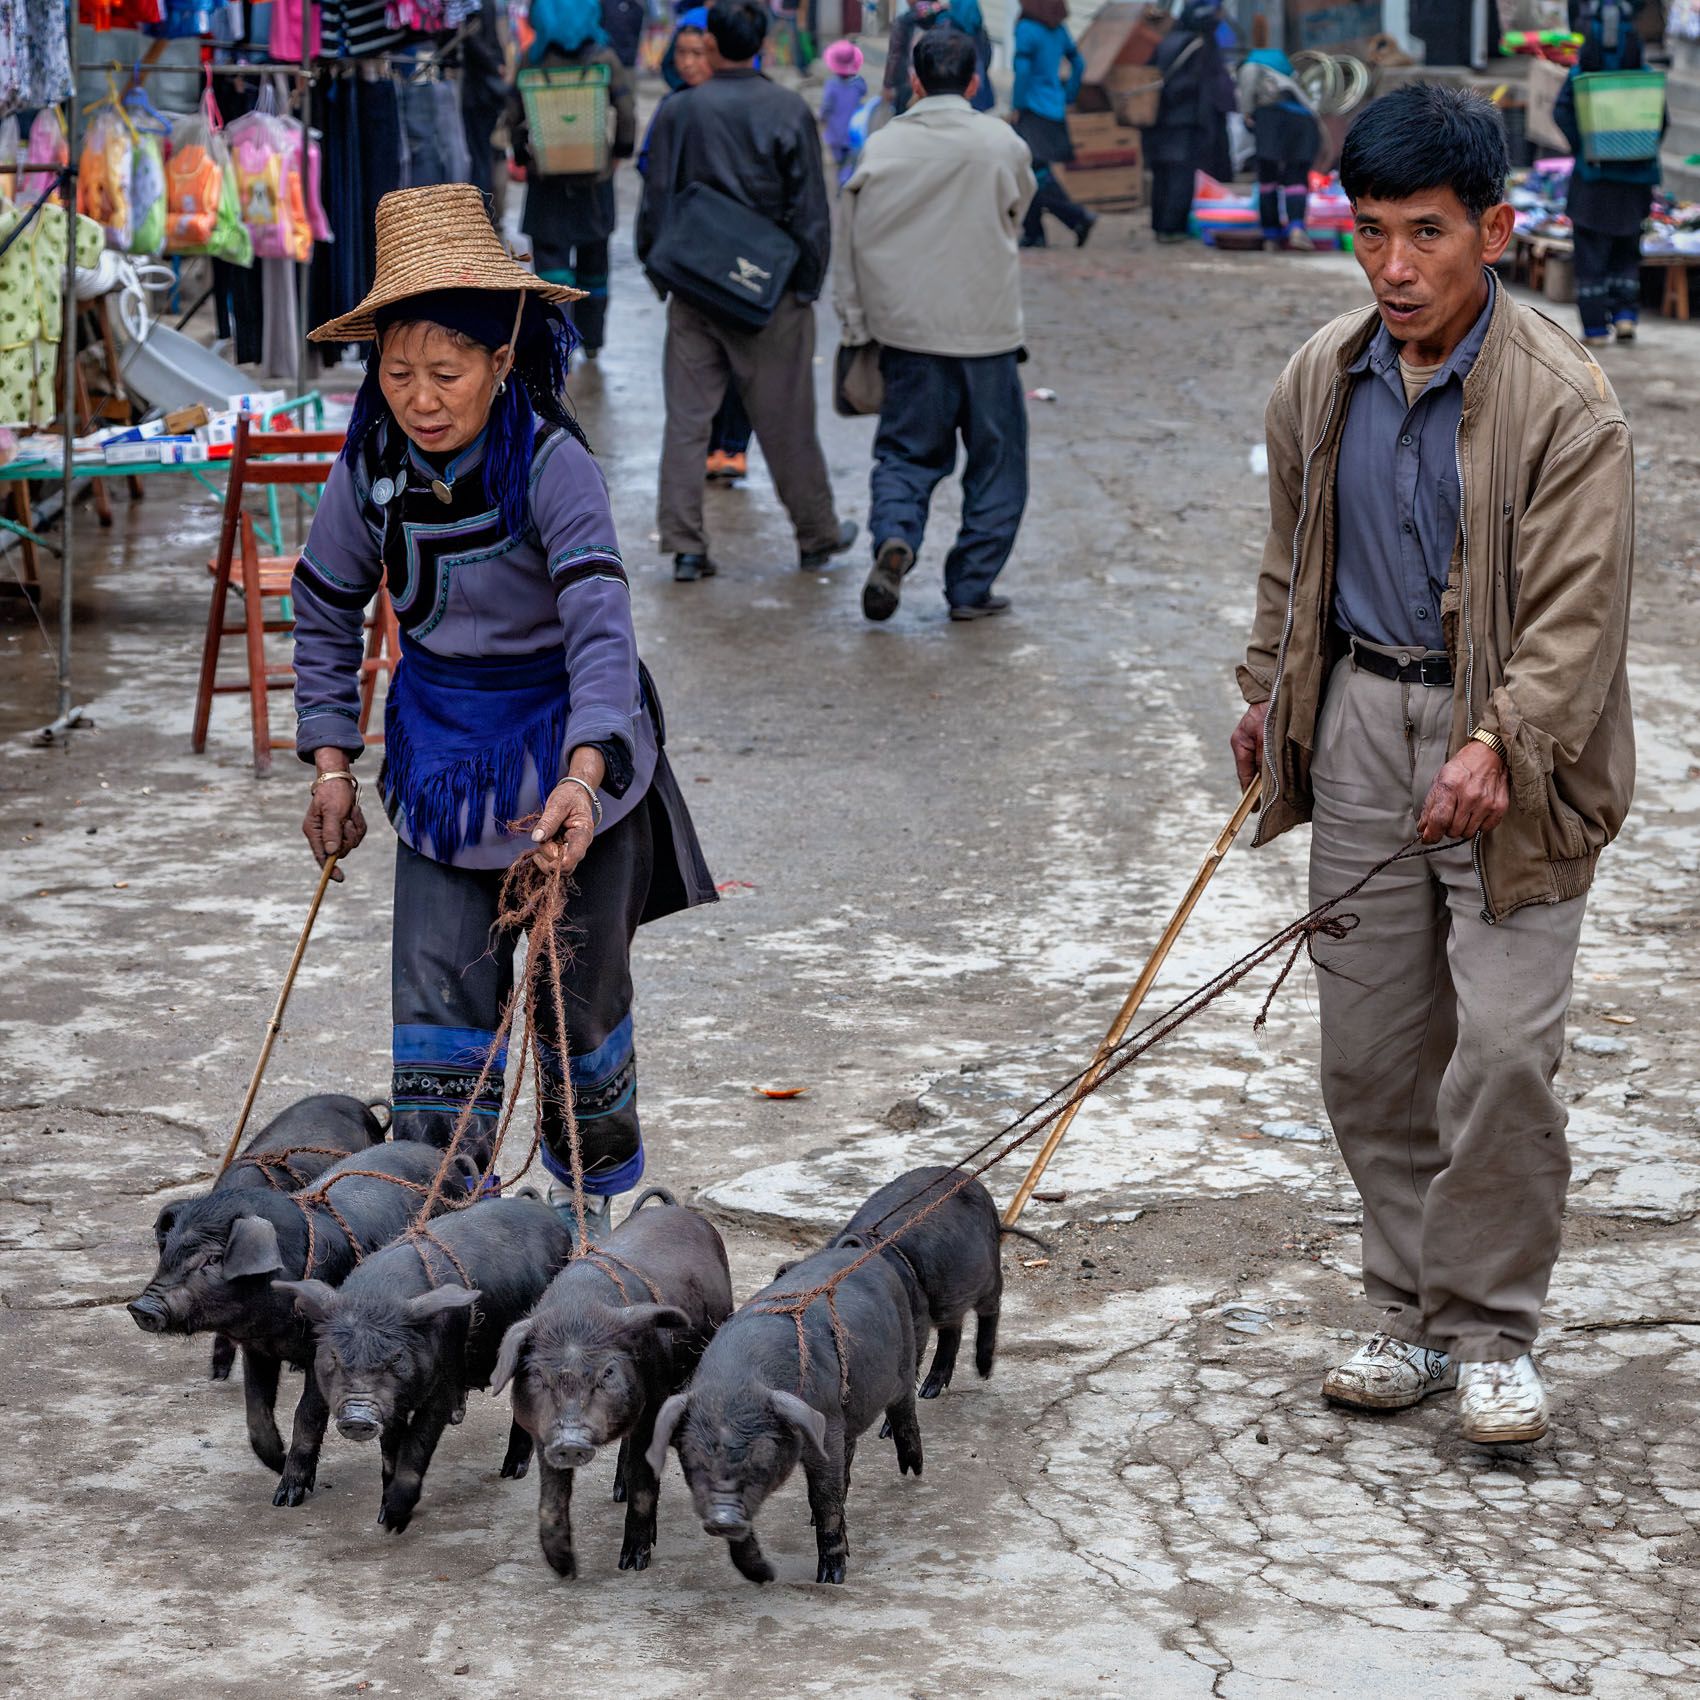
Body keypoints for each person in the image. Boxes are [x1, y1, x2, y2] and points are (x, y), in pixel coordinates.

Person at [1229, 86, 1635, 1446]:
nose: (1394, 268)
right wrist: (1265, 701)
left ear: (1497, 232)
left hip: (1521, 759)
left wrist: (1496, 743)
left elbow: (1579, 623)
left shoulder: (1567, 402)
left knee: (1506, 1054)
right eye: (1371, 235)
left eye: (1427, 234)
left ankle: (1490, 1328)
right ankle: (1402, 1312)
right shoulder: (1320, 379)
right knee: (1372, 1057)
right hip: (1360, 723)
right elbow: (1292, 572)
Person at [292, 185, 716, 1241]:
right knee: (438, 1017)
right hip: (442, 766)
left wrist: (584, 775)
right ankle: (448, 1237)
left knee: (579, 1011)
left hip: (570, 759)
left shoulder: (549, 463)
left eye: (446, 372)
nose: (421, 399)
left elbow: (599, 626)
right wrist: (333, 762)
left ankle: (594, 1231)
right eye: (398, 374)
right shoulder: (371, 470)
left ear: (498, 359)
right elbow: (324, 600)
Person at [637, 0, 857, 583]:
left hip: (694, 285)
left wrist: (658, 269)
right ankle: (816, 535)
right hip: (769, 291)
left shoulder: (681, 110)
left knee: (687, 421)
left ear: (711, 45)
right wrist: (806, 282)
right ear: (760, 42)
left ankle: (685, 545)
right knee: (788, 419)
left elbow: (656, 197)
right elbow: (812, 209)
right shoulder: (786, 109)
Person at [835, 27, 1035, 623]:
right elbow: (1017, 211)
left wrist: (855, 326)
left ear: (915, 82)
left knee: (904, 455)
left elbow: (848, 242)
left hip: (906, 334)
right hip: (987, 333)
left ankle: (896, 536)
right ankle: (971, 587)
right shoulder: (1002, 143)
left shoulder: (882, 147)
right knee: (998, 465)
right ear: (975, 82)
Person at [640, 7, 754, 480]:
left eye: (698, 52)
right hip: (690, 259)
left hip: (740, 255)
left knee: (739, 361)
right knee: (696, 365)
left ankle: (731, 447)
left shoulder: (742, 106)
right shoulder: (673, 110)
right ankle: (707, 448)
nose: (688, 62)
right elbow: (653, 187)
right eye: (681, 53)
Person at [510, 0, 636, 359]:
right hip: (594, 181)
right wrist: (618, 154)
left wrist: (523, 156)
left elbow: (512, 117)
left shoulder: (530, 59)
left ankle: (556, 345)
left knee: (551, 266)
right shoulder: (604, 57)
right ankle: (593, 343)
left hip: (547, 182)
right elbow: (626, 113)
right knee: (594, 262)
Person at [1554, 0, 1660, 346]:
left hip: (1592, 182)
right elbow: (1662, 122)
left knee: (1591, 253)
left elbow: (1562, 112)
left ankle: (1596, 328)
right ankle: (1626, 316)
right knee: (1627, 249)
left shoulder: (1581, 76)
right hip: (1635, 183)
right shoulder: (1645, 78)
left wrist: (1582, 145)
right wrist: (1638, 150)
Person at [1145, 1, 1235, 243]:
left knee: (1162, 174)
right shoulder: (1199, 45)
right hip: (1184, 121)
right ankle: (1173, 228)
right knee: (1180, 176)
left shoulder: (1166, 41)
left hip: (1158, 120)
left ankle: (1159, 225)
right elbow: (1201, 88)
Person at [1012, 0, 1095, 250]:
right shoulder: (1059, 30)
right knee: (1035, 170)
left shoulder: (1026, 28)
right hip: (1054, 108)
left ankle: (1076, 217)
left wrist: (1017, 105)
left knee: (1030, 173)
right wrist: (1068, 94)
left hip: (1032, 108)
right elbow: (1079, 64)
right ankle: (1035, 232)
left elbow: (1023, 71)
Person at [1237, 48, 1320, 249]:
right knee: (1296, 177)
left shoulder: (1251, 66)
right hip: (1303, 122)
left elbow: (1247, 85)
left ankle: (1271, 236)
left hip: (1272, 118)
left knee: (1268, 177)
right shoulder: (1289, 79)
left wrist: (1247, 112)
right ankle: (1297, 229)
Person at [884, 0, 948, 117]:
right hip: (939, 88)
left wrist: (888, 85)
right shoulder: (946, 18)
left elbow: (895, 56)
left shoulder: (904, 21)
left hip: (908, 85)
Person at [820, 38, 869, 184]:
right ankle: (847, 178)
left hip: (835, 132)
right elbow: (864, 91)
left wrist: (822, 117)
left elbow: (826, 107)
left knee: (839, 159)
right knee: (851, 158)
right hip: (853, 130)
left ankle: (842, 181)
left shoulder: (831, 85)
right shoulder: (858, 84)